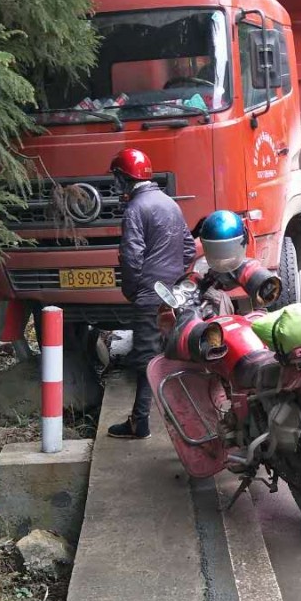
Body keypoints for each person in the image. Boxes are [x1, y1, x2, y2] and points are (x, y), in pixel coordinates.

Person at [108, 147, 196, 438]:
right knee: (174, 354)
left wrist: (133, 290)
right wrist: (173, 280)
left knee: (146, 358)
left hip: (148, 296)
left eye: (117, 177)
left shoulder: (135, 209)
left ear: (124, 178)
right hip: (173, 295)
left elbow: (132, 258)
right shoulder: (169, 203)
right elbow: (187, 248)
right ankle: (186, 415)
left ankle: (140, 422)